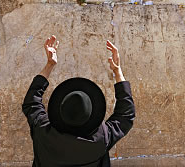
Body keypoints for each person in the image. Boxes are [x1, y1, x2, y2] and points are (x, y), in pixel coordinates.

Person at [22, 35, 135, 167]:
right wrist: (117, 71)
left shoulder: (43, 131)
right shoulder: (101, 138)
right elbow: (126, 115)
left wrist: (49, 65)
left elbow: (31, 101)